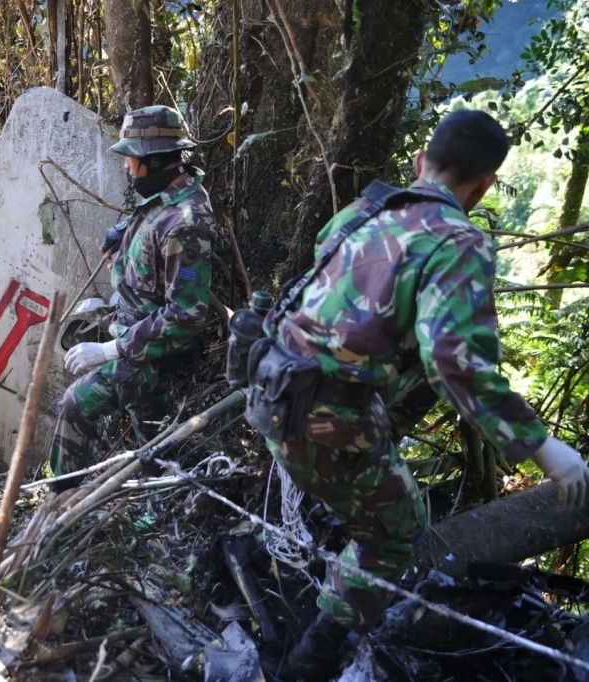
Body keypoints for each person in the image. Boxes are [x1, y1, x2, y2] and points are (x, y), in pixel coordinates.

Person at [243, 109, 589, 681]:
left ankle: (324, 548)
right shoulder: (458, 239)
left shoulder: (363, 212)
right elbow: (454, 359)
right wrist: (543, 447)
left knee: (366, 495)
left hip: (271, 388)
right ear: (485, 184)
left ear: (418, 161)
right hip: (325, 414)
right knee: (398, 534)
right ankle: (312, 658)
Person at [48, 105, 216, 489]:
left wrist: (112, 351)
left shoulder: (186, 224)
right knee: (156, 443)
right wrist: (126, 230)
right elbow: (158, 219)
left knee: (75, 406)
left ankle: (60, 505)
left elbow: (186, 315)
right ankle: (161, 511)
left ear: (154, 161)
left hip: (150, 356)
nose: (127, 168)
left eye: (132, 160)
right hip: (138, 344)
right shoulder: (172, 192)